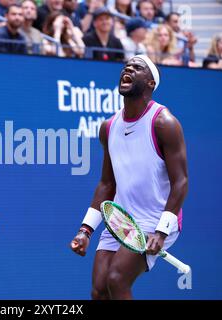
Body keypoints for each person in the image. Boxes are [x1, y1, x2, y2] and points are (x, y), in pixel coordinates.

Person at [70, 55, 188, 300]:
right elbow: (107, 184)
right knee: (99, 289)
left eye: (137, 68)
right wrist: (85, 230)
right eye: (127, 66)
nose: (128, 69)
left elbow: (181, 182)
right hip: (120, 219)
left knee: (117, 279)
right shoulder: (108, 127)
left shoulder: (164, 123)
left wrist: (161, 231)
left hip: (156, 220)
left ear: (150, 83)